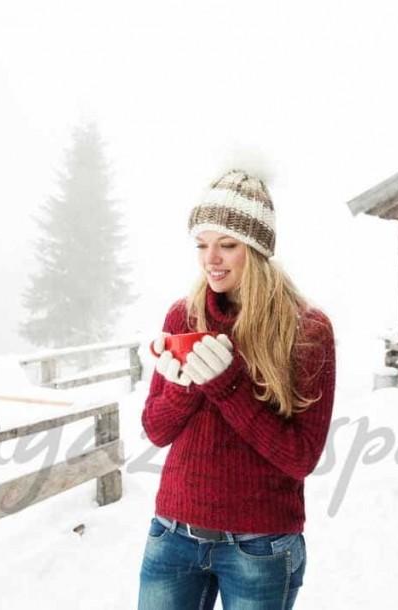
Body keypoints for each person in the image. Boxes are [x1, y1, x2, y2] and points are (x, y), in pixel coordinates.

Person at [138, 169, 336, 610]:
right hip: (171, 536)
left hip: (259, 547)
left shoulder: (307, 331)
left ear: (259, 250)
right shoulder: (183, 317)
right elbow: (155, 429)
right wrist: (184, 387)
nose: (212, 259)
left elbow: (300, 457)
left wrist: (227, 386)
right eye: (202, 245)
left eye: (227, 245)